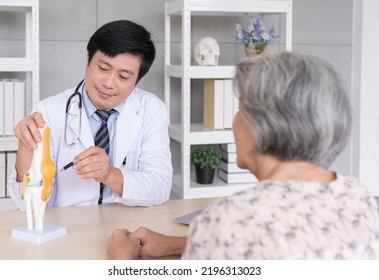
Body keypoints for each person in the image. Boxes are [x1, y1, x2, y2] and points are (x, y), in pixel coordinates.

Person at [106, 52, 379, 259]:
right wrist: (182, 243)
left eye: (240, 108)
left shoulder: (231, 220)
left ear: (262, 123)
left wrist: (122, 262)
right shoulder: (363, 202)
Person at [7, 20, 173, 209]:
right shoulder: (48, 112)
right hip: (70, 229)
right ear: (88, 59)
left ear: (137, 81)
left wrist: (109, 175)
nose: (109, 83)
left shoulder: (151, 109)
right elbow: (27, 203)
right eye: (103, 68)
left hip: (129, 229)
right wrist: (26, 144)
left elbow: (160, 187)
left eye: (123, 77)